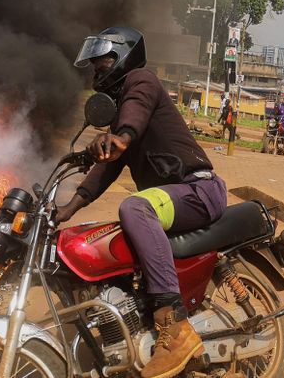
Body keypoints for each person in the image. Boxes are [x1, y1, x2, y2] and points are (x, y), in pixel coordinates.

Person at [55, 27, 227, 378]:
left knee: (134, 207)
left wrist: (121, 136)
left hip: (198, 190)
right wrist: (65, 209)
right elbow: (107, 171)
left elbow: (136, 111)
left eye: (101, 61)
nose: (96, 70)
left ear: (122, 56)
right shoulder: (122, 113)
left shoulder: (142, 81)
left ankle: (174, 325)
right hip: (173, 199)